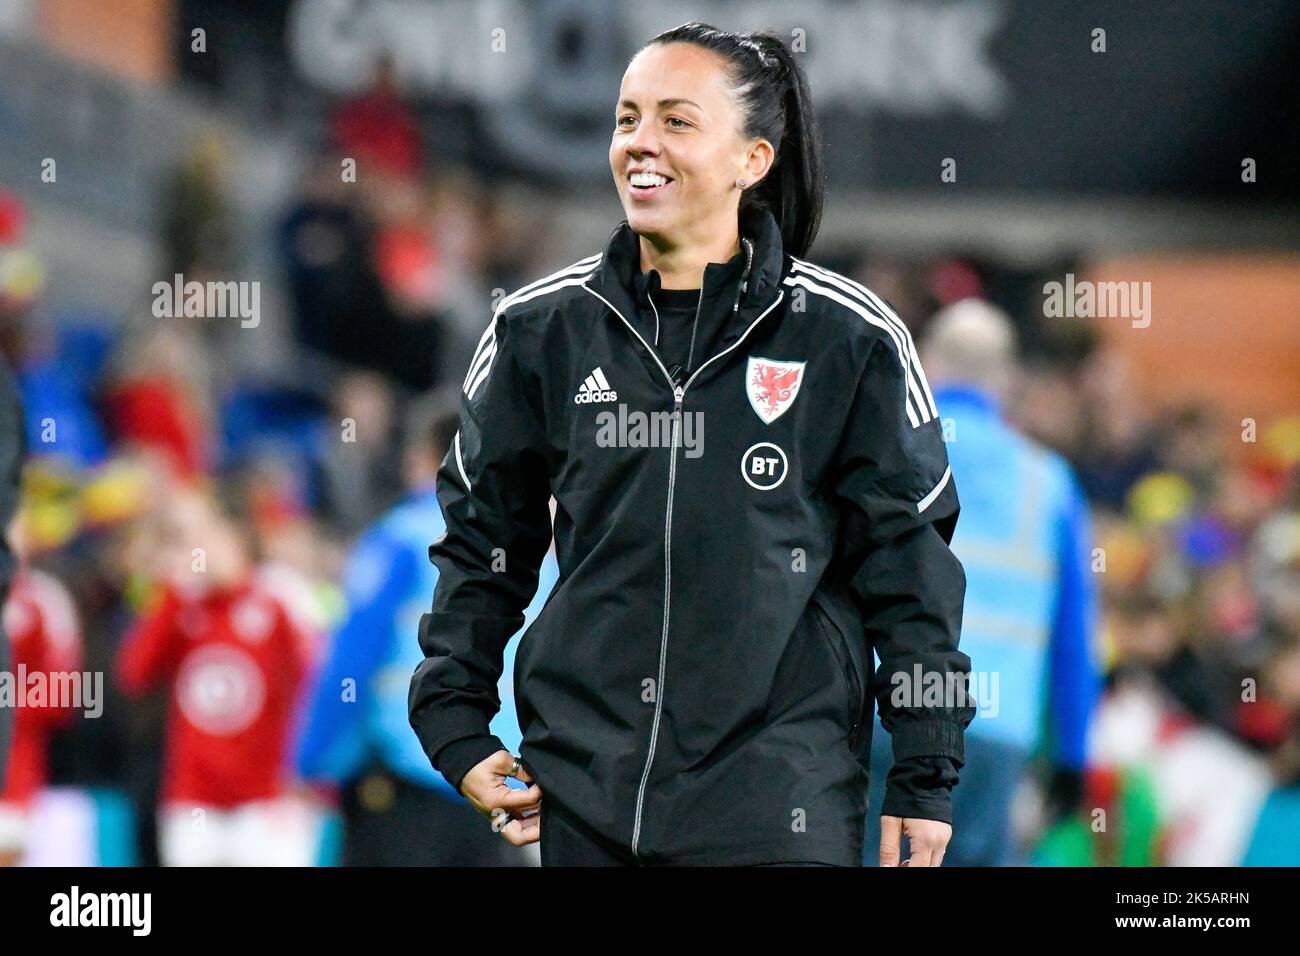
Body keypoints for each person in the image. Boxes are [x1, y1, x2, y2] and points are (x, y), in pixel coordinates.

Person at [409, 22, 974, 867]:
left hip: (779, 799)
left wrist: (926, 774)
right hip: (586, 795)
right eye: (627, 117)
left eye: (677, 121)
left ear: (753, 159)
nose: (641, 142)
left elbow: (913, 571)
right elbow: (481, 542)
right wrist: (455, 721)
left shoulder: (847, 339)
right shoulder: (539, 331)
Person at [863, 298, 1102, 866]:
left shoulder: (880, 450)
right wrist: (1073, 756)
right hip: (998, 732)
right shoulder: (1051, 484)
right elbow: (1074, 638)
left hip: (886, 718)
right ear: (1005, 379)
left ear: (924, 364)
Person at [296, 395, 558, 865]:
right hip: (510, 788)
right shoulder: (541, 547)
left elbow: (352, 657)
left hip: (413, 785)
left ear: (421, 457)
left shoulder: (402, 536)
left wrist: (309, 760)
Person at [116, 487, 315, 866]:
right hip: (194, 800)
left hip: (266, 798)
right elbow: (134, 674)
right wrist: (173, 595)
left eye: (214, 537)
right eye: (198, 541)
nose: (205, 551)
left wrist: (306, 773)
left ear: (240, 538)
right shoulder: (182, 605)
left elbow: (313, 685)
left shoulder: (279, 599)